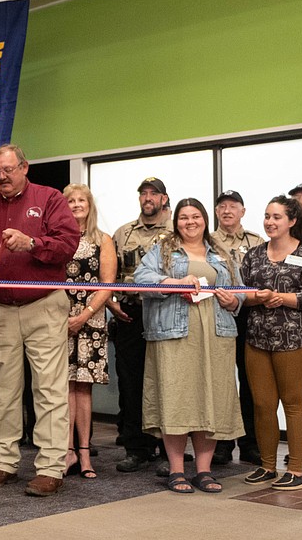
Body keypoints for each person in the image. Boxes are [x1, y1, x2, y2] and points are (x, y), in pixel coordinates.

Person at [0, 144, 80, 496]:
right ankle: (3, 462)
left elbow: (68, 243)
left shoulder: (51, 198)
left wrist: (33, 243)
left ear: (24, 167)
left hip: (43, 304)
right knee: (3, 388)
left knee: (49, 387)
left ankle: (51, 466)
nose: (2, 177)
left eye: (8, 170)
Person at [134, 198, 244, 494]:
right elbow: (141, 280)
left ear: (205, 220)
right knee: (176, 399)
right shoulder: (163, 250)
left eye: (196, 216)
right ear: (176, 221)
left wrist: (234, 301)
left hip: (216, 336)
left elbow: (239, 289)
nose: (190, 222)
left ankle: (204, 470)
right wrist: (174, 280)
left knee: (210, 397)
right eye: (184, 217)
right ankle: (177, 469)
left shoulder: (221, 252)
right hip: (174, 336)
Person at [239, 195, 302, 491]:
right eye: (267, 216)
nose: (270, 222)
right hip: (258, 340)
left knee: (294, 404)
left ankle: (297, 470)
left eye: (276, 217)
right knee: (262, 405)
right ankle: (267, 465)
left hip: (296, 340)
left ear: (292, 221)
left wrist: (280, 297)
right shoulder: (253, 254)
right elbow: (243, 294)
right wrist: (256, 297)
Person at [109, 177, 172, 473]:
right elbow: (107, 274)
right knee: (131, 383)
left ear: (164, 199)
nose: (148, 198)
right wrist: (112, 303)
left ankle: (168, 444)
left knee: (166, 380)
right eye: (144, 193)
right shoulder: (123, 233)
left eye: (154, 194)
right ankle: (137, 447)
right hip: (130, 315)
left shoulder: (177, 232)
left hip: (165, 314)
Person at [61, 184, 115, 479]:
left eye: (82, 200)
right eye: (71, 200)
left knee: (83, 386)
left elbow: (108, 284)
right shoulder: (57, 238)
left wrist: (84, 315)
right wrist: (67, 317)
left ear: (90, 205)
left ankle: (84, 453)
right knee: (63, 386)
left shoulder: (102, 240)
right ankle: (66, 452)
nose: (76, 204)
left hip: (91, 319)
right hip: (58, 318)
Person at [209, 190, 263, 466]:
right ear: (216, 212)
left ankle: (251, 443)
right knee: (221, 380)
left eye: (233, 206)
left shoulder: (257, 241)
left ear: (243, 210)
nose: (227, 210)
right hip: (218, 313)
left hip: (251, 315)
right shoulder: (208, 241)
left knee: (251, 381)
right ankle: (221, 443)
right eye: (222, 207)